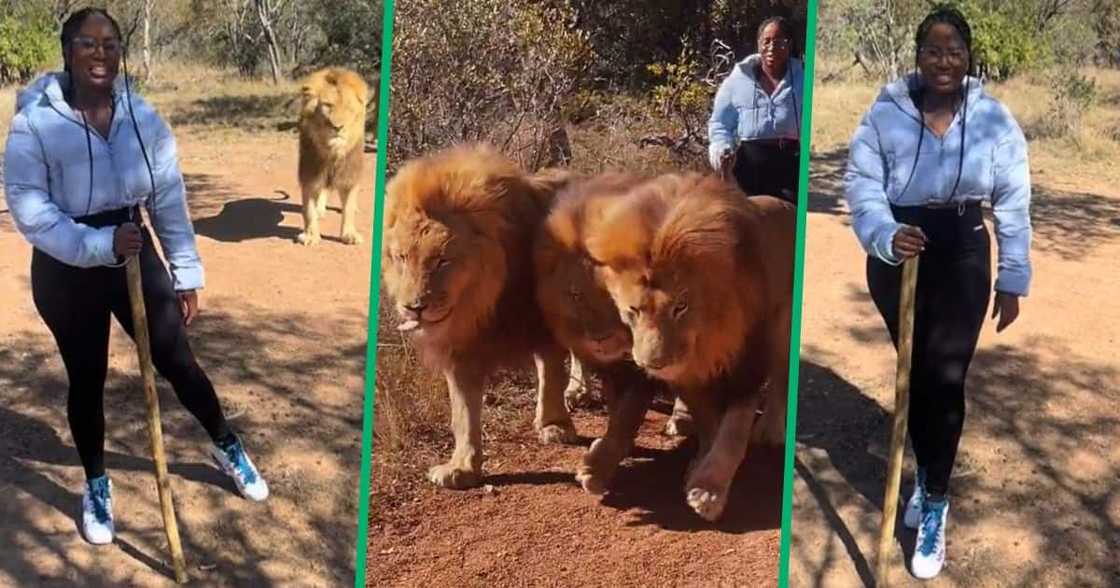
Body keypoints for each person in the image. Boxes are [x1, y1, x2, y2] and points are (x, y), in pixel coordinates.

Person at [3, 8, 269, 546]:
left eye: (110, 43)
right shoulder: (34, 122)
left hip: (132, 248)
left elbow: (168, 198)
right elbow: (30, 210)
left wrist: (185, 268)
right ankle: (97, 484)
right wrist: (98, 244)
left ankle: (225, 442)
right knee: (87, 377)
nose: (101, 53)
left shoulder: (144, 119)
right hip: (66, 265)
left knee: (177, 358)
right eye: (88, 43)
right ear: (67, 51)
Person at [843, 5, 1031, 580]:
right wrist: (882, 232)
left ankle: (935, 501)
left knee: (945, 377)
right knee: (916, 372)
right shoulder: (885, 114)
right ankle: (927, 475)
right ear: (917, 57)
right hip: (898, 252)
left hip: (965, 249)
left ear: (968, 57)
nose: (944, 61)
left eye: (954, 51)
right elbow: (861, 184)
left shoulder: (995, 120)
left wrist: (1013, 275)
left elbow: (1014, 201)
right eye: (933, 51)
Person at [707, 16, 804, 204]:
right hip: (748, 166)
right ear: (758, 44)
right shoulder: (738, 79)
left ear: (789, 44)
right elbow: (720, 123)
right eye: (766, 41)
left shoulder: (804, 77)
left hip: (789, 165)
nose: (771, 47)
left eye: (779, 41)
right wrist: (722, 150)